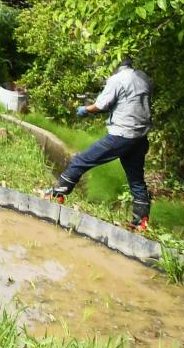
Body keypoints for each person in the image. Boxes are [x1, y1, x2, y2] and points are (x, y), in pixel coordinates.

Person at [44, 58, 153, 232]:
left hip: (121, 135)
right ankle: (141, 221)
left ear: (116, 67)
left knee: (81, 160)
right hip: (140, 138)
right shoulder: (143, 77)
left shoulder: (117, 79)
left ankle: (57, 194)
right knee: (136, 180)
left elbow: (101, 105)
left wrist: (85, 110)